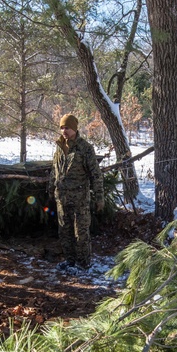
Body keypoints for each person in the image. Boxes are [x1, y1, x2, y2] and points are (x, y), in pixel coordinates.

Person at [53, 113, 104, 270]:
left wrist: (99, 197)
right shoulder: (60, 147)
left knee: (81, 233)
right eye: (62, 127)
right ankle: (70, 261)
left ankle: (83, 264)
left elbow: (95, 174)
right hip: (62, 199)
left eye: (67, 127)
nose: (64, 131)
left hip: (79, 199)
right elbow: (54, 170)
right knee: (64, 232)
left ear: (74, 128)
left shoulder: (85, 148)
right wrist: (52, 188)